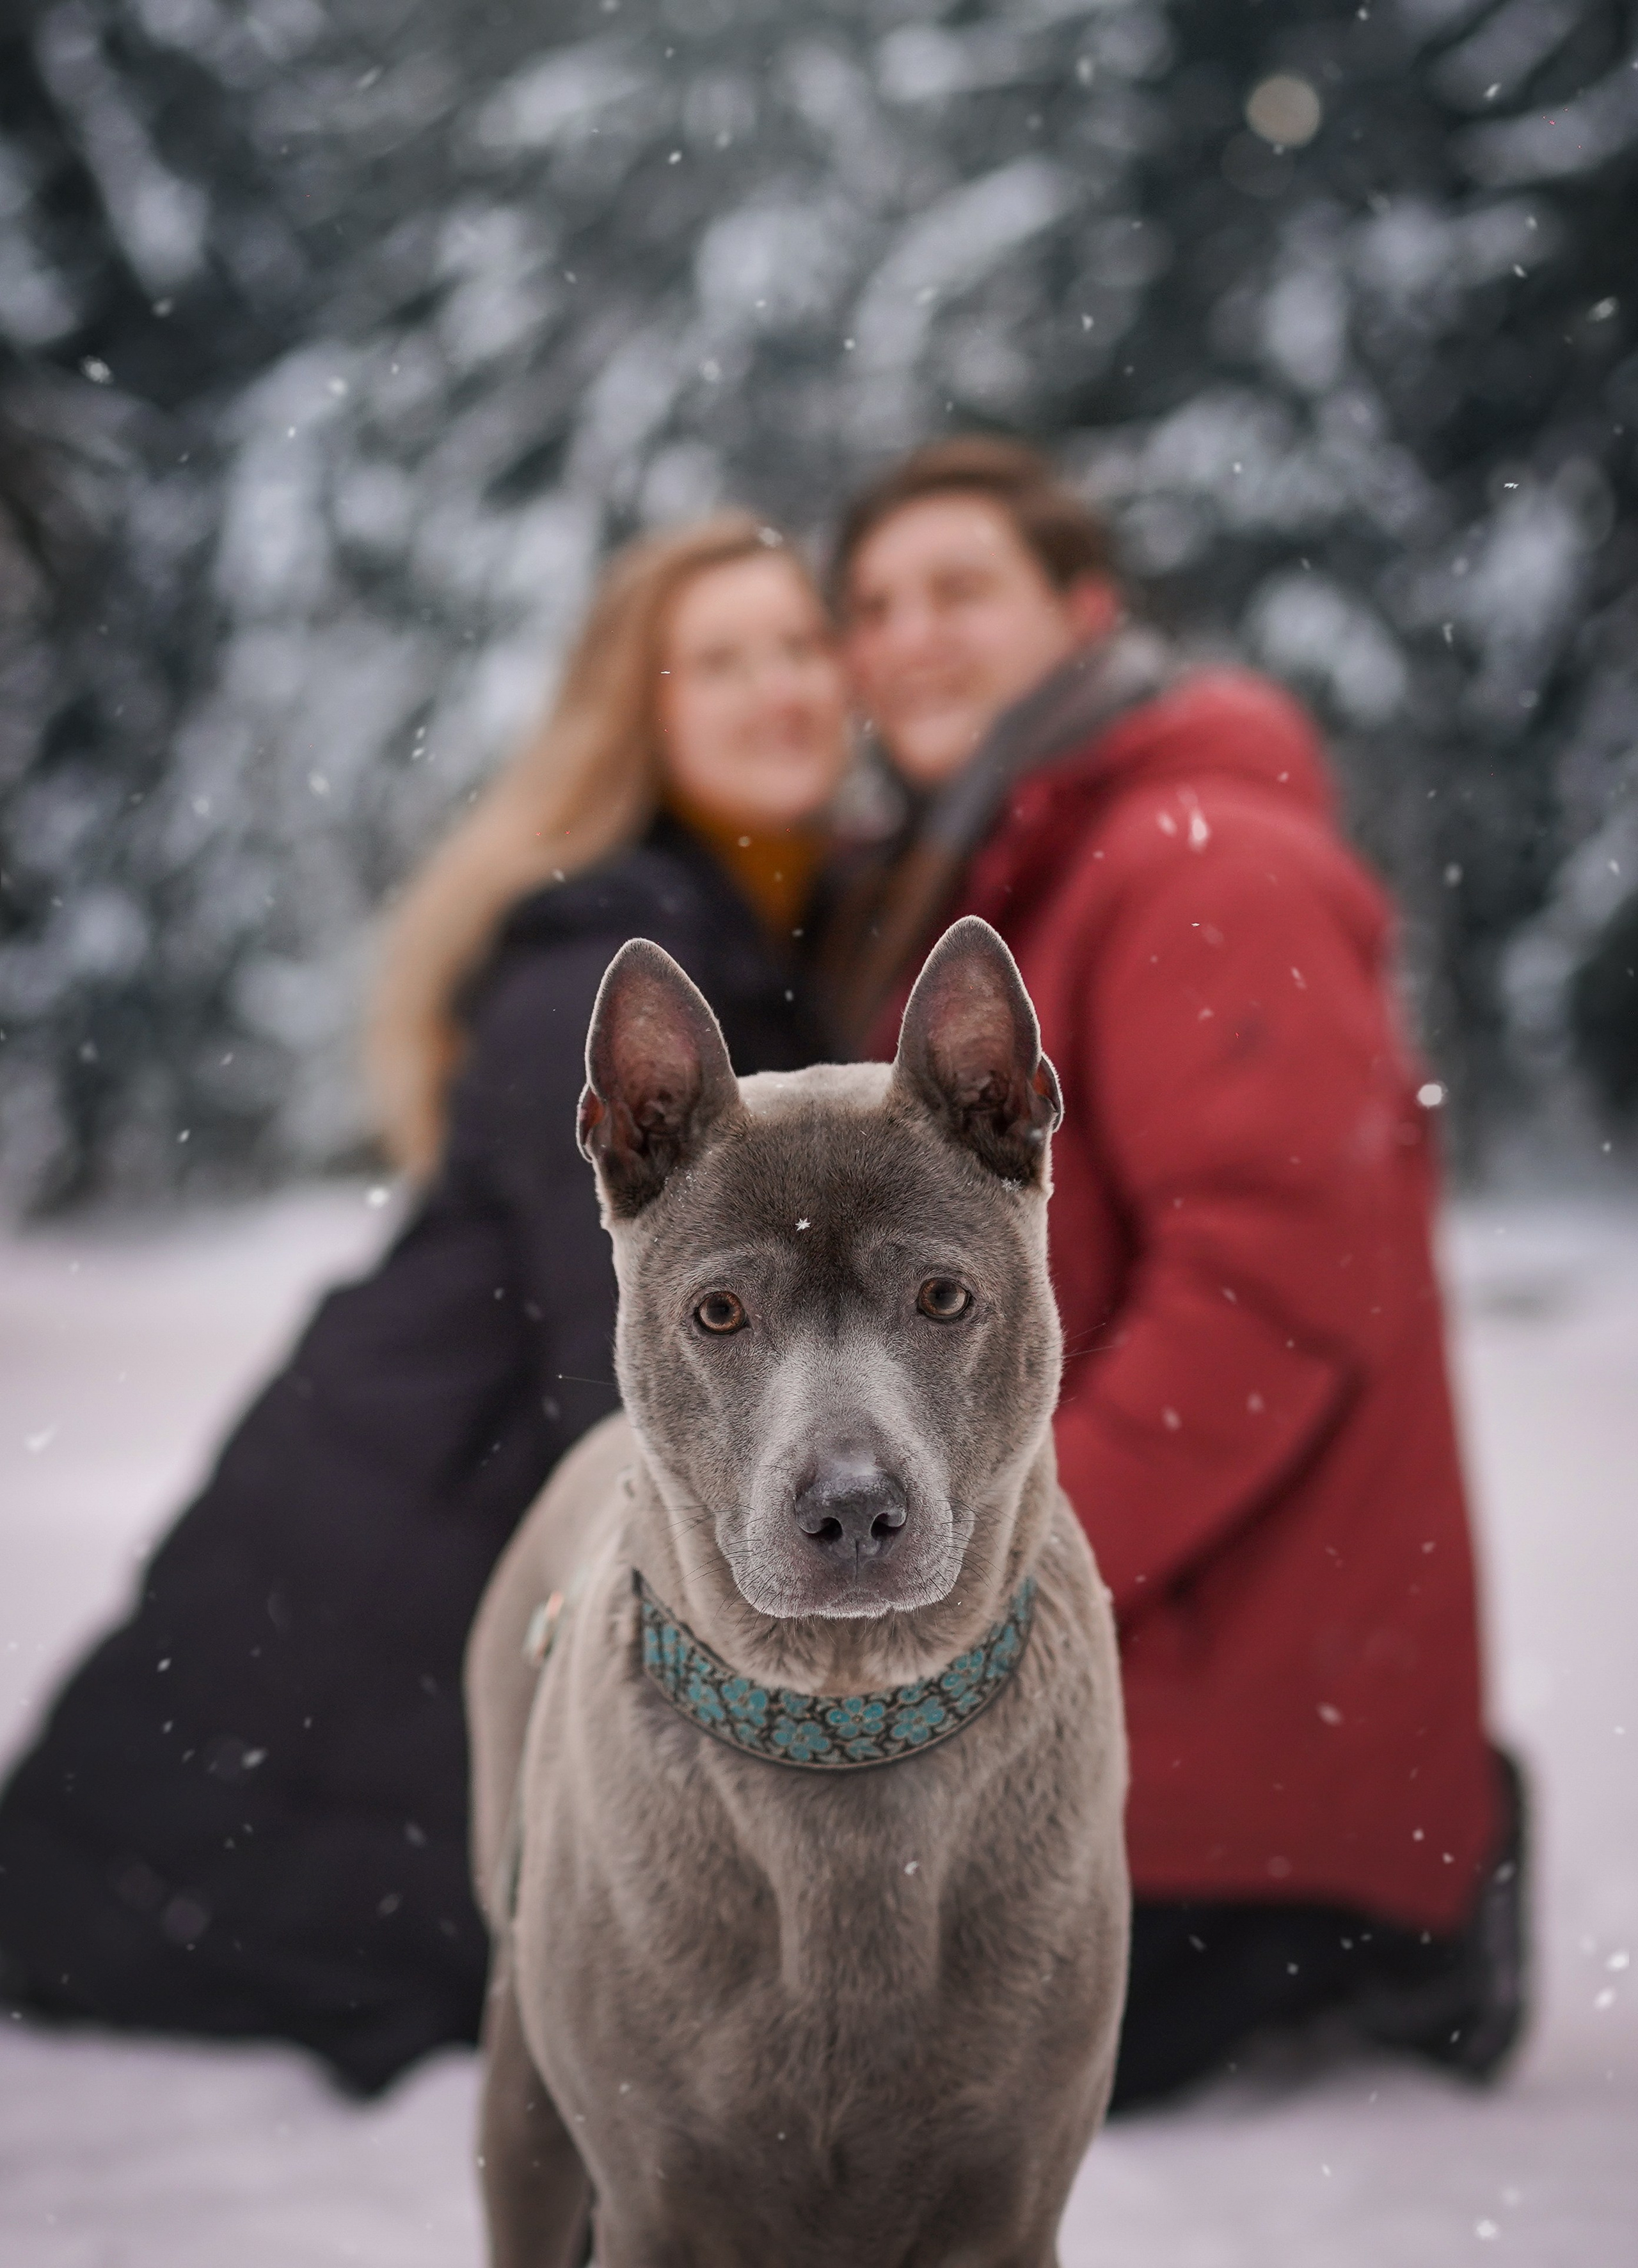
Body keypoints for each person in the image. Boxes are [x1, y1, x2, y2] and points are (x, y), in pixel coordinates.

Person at [0, 514, 850, 2096]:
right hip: (397, 1537)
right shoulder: (611, 966)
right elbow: (630, 1375)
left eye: (799, 645)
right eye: (718, 659)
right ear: (639, 710)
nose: (776, 687)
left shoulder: (759, 935)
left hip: (434, 1494)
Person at [825, 436, 1525, 2111]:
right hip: (1140, 1725)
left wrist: (998, 1568)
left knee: (860, 2104)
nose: (909, 634)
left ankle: (1409, 1924)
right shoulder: (1019, 864)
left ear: (1085, 613)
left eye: (961, 589)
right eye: (872, 603)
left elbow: (1273, 1293)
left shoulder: (1200, 859)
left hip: (1233, 1757)